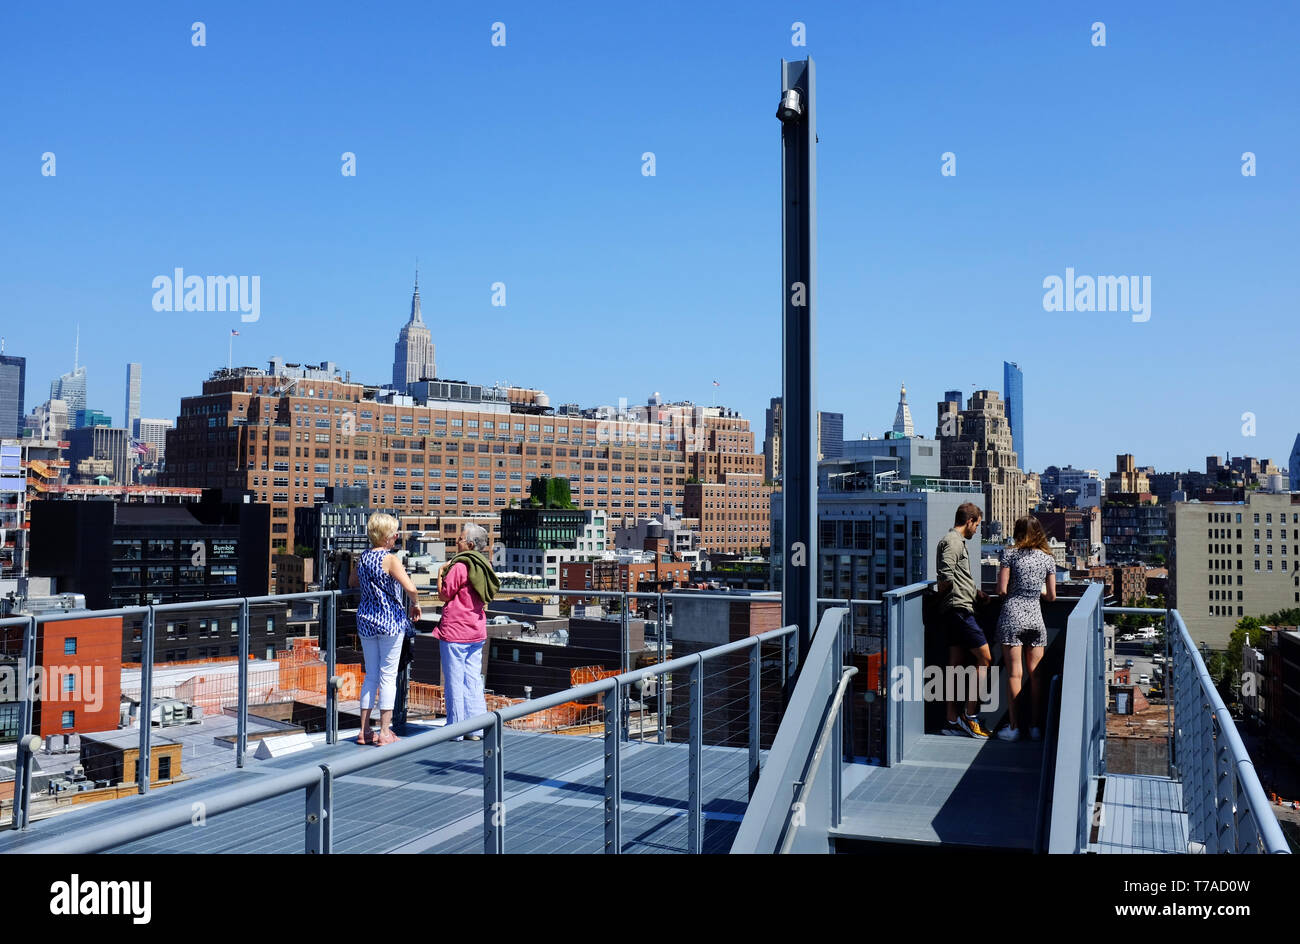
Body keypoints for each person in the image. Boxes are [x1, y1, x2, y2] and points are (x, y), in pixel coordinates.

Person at [349, 513, 422, 746]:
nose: (397, 537)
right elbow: (411, 588)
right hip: (389, 621)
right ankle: (384, 732)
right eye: (394, 534)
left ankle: (363, 732)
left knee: (370, 676)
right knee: (388, 677)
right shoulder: (389, 559)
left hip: (366, 620)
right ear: (386, 536)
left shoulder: (362, 558)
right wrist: (416, 605)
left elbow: (352, 582)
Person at [994, 516, 1057, 742]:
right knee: (1036, 676)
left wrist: (1014, 589)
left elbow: (1001, 590)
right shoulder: (1048, 557)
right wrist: (1034, 592)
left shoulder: (1009, 554)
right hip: (1035, 618)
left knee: (1014, 674)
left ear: (1018, 532)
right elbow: (1051, 596)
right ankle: (1035, 727)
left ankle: (1014, 727)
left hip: (1012, 615)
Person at [436, 523, 500, 741]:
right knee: (473, 680)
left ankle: (455, 729)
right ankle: (477, 728)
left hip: (455, 630)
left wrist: (439, 574)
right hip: (476, 628)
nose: (456, 542)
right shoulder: (485, 566)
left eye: (460, 539)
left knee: (454, 680)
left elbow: (445, 594)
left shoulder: (461, 566)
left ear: (470, 544)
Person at [935, 502, 992, 738]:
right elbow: (946, 577)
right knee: (985, 658)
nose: (977, 529)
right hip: (959, 610)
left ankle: (951, 720)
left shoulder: (957, 542)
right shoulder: (952, 542)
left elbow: (956, 576)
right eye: (977, 524)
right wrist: (958, 594)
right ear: (969, 521)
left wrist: (976, 593)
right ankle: (970, 716)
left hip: (958, 606)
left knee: (955, 665)